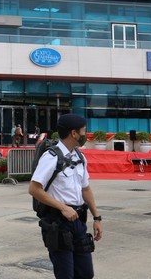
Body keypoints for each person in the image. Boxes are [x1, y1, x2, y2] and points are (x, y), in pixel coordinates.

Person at [28, 114, 103, 279]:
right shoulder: (51, 157)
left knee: (85, 273)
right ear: (74, 133)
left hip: (77, 221)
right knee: (65, 275)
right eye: (84, 131)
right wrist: (63, 208)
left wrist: (97, 218)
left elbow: (86, 189)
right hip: (58, 223)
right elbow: (34, 189)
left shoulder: (79, 157)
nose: (86, 135)